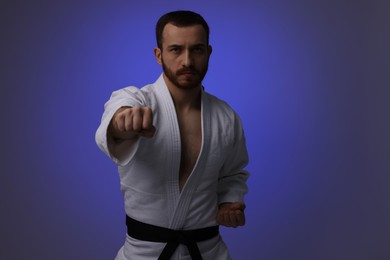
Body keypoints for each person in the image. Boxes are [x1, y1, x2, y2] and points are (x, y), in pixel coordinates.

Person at [96, 10, 249, 260]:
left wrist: (229, 202)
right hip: (143, 254)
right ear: (159, 55)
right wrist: (121, 122)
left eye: (197, 50)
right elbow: (115, 117)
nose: (187, 61)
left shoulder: (226, 117)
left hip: (209, 252)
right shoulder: (137, 101)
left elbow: (233, 173)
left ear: (208, 53)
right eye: (176, 49)